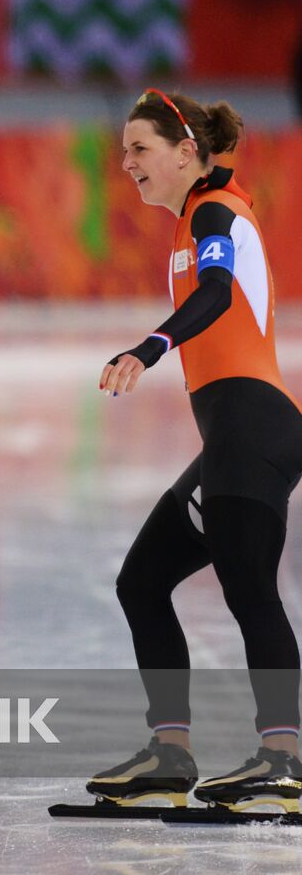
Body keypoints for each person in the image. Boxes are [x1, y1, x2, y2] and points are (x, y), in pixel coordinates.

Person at [89, 89, 302, 814]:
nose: (127, 165)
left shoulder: (214, 211)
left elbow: (216, 292)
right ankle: (169, 753)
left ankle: (284, 759)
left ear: (187, 152)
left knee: (249, 590)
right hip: (235, 436)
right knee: (142, 582)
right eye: (123, 153)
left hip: (254, 428)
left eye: (140, 150)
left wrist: (149, 347)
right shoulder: (193, 219)